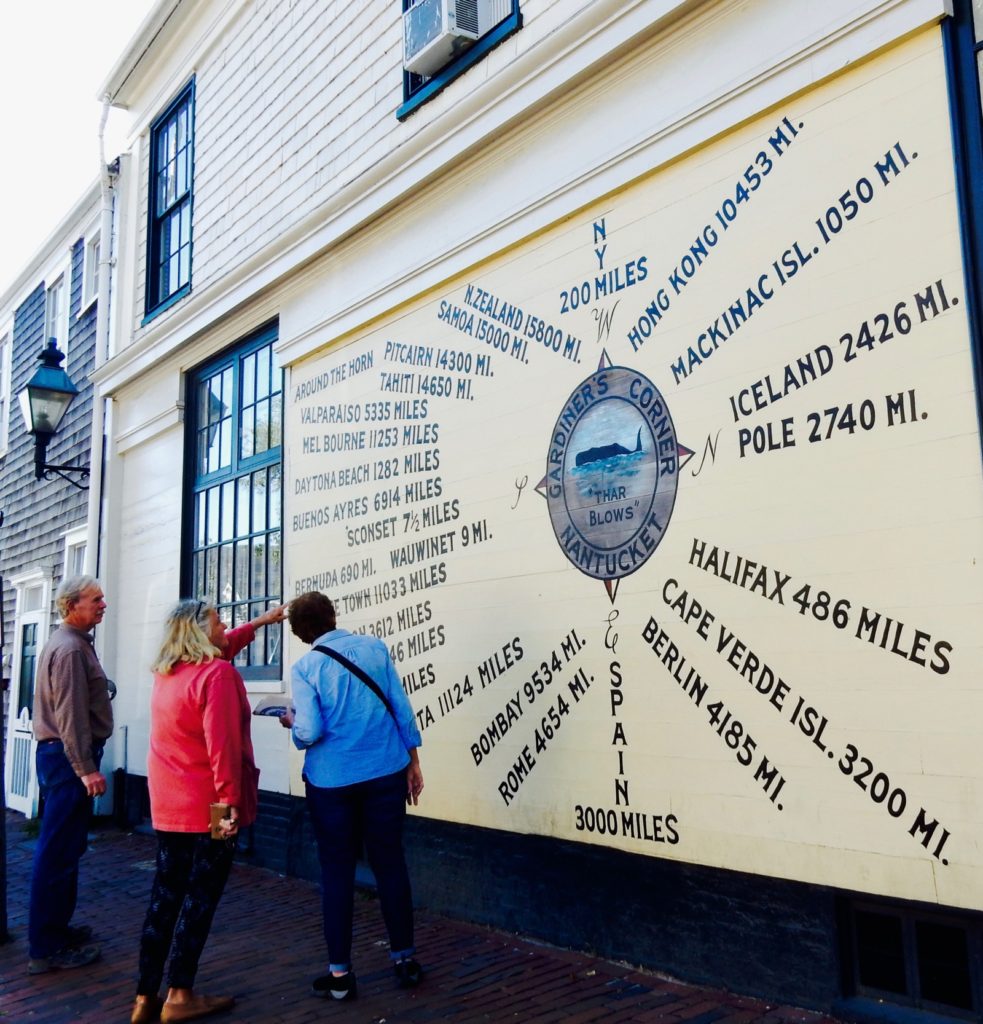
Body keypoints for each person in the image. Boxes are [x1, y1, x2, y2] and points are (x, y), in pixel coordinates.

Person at [130, 599, 287, 1024]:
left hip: (168, 806)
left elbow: (226, 646)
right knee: (199, 899)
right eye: (219, 620)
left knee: (164, 898)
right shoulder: (217, 675)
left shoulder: (168, 674)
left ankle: (144, 998)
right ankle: (180, 994)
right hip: (210, 809)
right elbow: (223, 750)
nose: (226, 625)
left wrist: (261, 622)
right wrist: (230, 810)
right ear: (200, 632)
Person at [280, 591, 424, 1002]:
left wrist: (290, 722)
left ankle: (340, 975)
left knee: (337, 873)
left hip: (332, 783)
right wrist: (413, 762)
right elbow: (401, 707)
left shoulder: (306, 668)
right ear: (331, 615)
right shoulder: (375, 649)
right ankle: (405, 960)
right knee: (390, 863)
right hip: (385, 772)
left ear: (301, 631)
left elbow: (309, 732)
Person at [27, 575, 112, 974]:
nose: (102, 604)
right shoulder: (71, 651)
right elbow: (70, 716)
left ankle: (55, 932)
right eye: (95, 599)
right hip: (67, 760)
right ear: (71, 605)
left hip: (61, 759)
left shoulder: (69, 645)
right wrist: (86, 769)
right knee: (58, 852)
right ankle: (46, 947)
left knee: (65, 848)